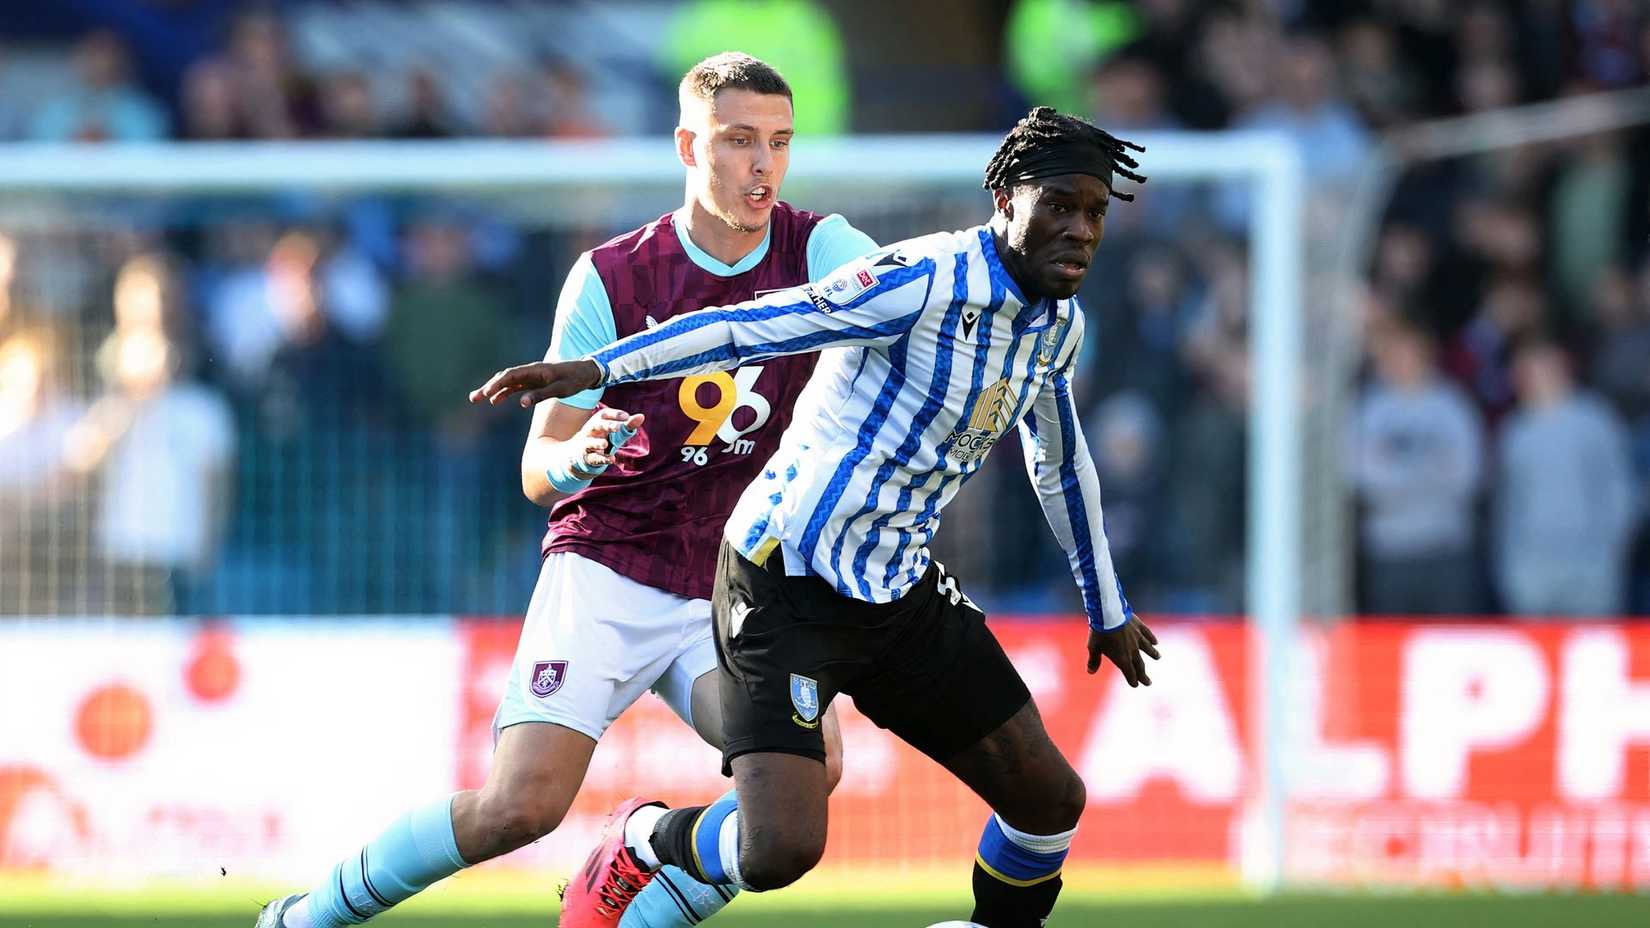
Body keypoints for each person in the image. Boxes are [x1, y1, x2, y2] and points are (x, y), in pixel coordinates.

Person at [472, 106, 1162, 928]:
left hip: (898, 587)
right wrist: (599, 365)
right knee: (780, 853)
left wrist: (1107, 608)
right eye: (1059, 204)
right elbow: (743, 326)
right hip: (782, 580)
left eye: (1094, 212)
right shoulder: (917, 280)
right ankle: (644, 837)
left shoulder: (1056, 327)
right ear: (1006, 198)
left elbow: (1061, 463)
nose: (1080, 229)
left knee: (1052, 802)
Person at [255, 53, 875, 928]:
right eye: (739, 141)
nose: (762, 165)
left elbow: (907, 281)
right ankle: (304, 916)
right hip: (609, 570)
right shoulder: (613, 277)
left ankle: (637, 876)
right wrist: (578, 452)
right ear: (687, 146)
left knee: (803, 780)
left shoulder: (818, 248)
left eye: (778, 142)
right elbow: (534, 470)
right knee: (518, 807)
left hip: (731, 583)